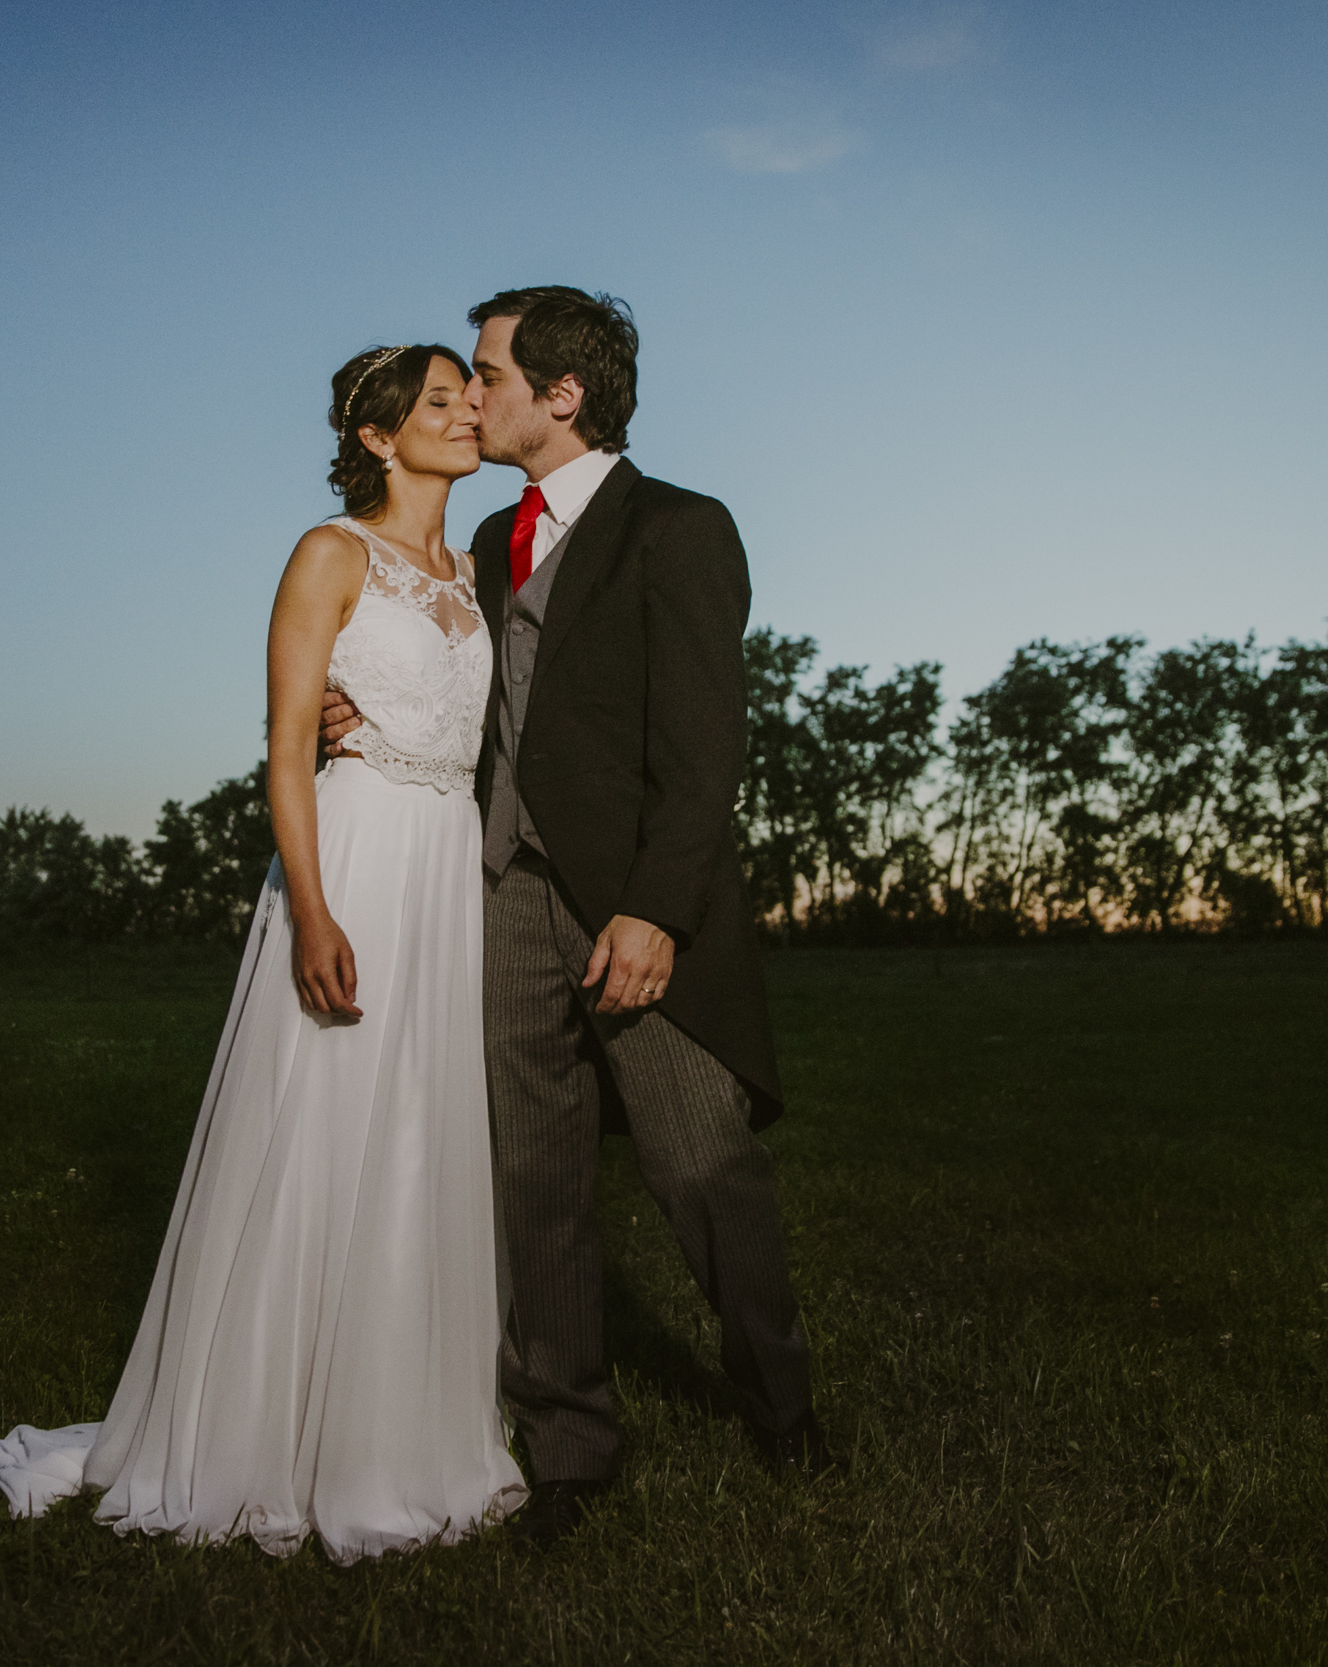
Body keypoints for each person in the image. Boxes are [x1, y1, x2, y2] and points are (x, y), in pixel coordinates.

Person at [0, 344, 526, 1563]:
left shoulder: (476, 566)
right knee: (324, 1119)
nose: (464, 410)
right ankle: (267, 1432)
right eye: (437, 400)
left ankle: (401, 1421)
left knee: (421, 1132)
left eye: (464, 393)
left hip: (447, 863)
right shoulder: (330, 552)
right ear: (380, 437)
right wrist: (316, 910)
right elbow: (286, 744)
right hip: (353, 853)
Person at [324, 287, 841, 1547]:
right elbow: (459, 688)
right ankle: (567, 1446)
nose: (471, 394)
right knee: (532, 1179)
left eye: (489, 374)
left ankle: (783, 1408)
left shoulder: (680, 528)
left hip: (628, 910)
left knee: (700, 1164)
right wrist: (357, 716)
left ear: (561, 395)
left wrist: (656, 909)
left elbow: (704, 745)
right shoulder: (489, 535)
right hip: (499, 900)